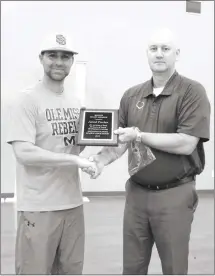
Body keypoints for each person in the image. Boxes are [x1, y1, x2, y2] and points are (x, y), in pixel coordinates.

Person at [85, 28, 211, 274]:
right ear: (147, 54)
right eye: (154, 49)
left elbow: (186, 142)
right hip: (137, 195)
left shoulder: (191, 92)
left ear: (176, 54)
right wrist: (100, 160)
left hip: (175, 194)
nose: (159, 54)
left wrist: (140, 136)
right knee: (132, 267)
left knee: (174, 267)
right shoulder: (131, 95)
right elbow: (120, 141)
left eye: (165, 49)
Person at [6, 33, 96, 275]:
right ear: (41, 58)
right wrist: (74, 159)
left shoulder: (76, 102)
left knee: (70, 271)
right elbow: (23, 152)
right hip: (39, 206)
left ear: (72, 61)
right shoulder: (26, 100)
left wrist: (97, 137)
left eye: (65, 56)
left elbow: (73, 147)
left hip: (73, 204)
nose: (59, 61)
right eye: (52, 55)